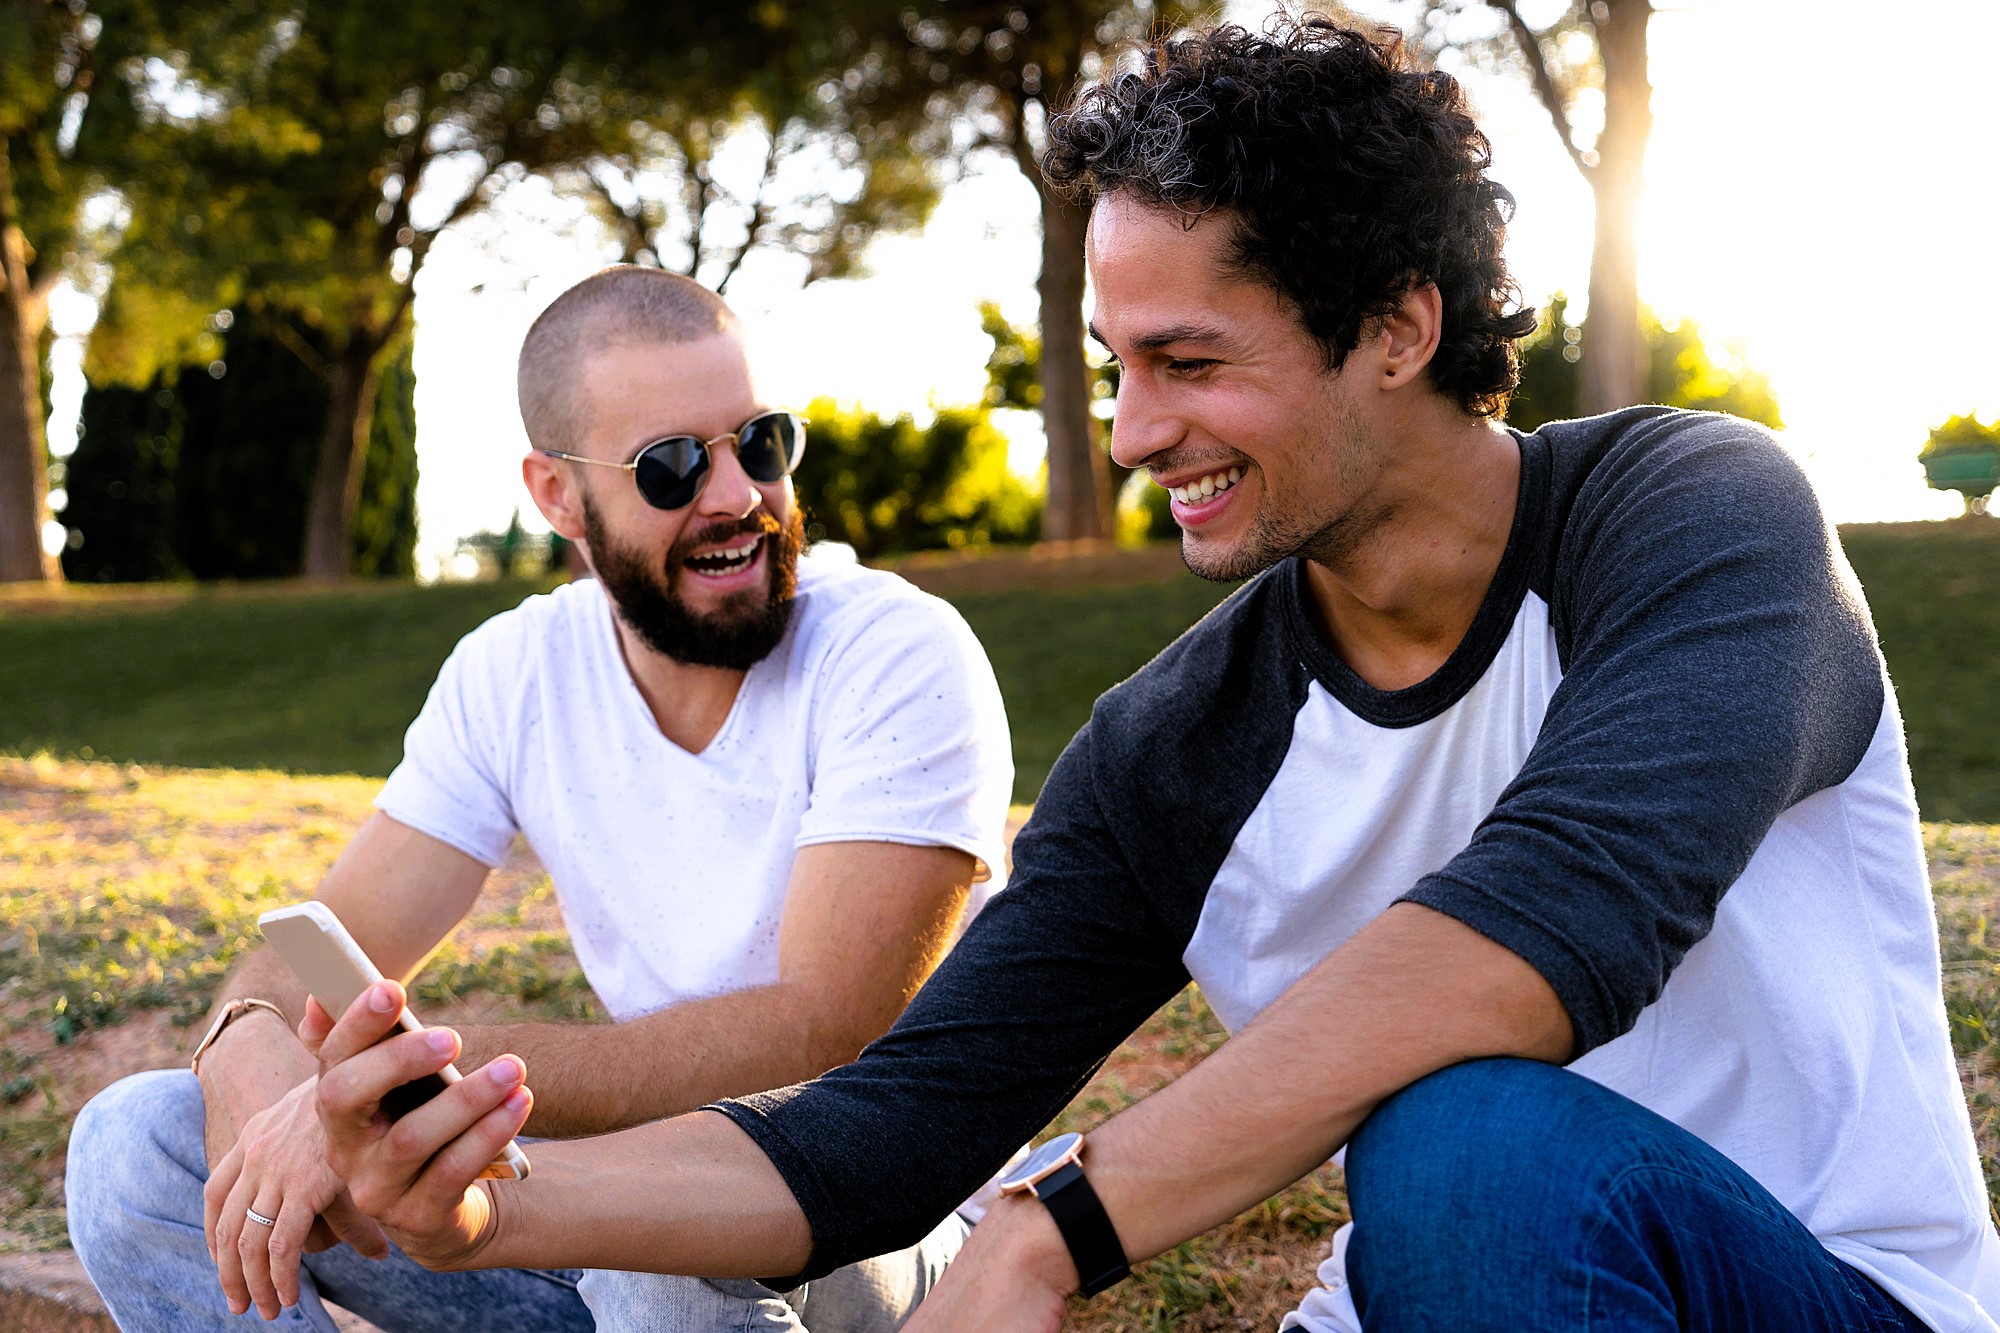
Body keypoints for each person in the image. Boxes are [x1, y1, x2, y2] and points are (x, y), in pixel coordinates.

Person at [302, 20, 1997, 1333]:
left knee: (1468, 1133)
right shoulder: (1176, 745)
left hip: (1825, 1287)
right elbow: (881, 1134)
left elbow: (1547, 926)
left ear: (1397, 327)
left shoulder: (1693, 517)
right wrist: (484, 1210)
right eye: (1120, 367)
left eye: (1190, 361)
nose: (1132, 433)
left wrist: (1066, 1220)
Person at [64, 265, 1014, 1332]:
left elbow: (824, 1034)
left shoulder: (898, 654)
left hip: (875, 1220)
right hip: (594, 1229)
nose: (737, 496)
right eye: (667, 468)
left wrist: (423, 1079)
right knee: (133, 1143)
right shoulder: (516, 670)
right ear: (557, 495)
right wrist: (245, 1038)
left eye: (758, 443)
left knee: (659, 1247)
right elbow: (328, 941)